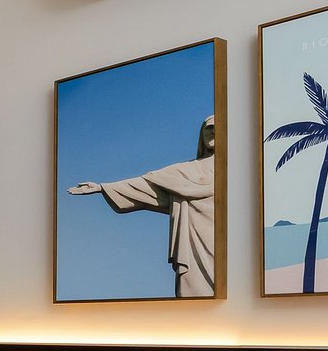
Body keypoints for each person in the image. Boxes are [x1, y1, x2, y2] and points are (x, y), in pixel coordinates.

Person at [68, 116, 218, 298]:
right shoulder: (185, 171)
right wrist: (102, 187)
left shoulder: (234, 170)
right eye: (209, 127)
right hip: (193, 243)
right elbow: (146, 185)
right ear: (201, 134)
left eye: (218, 128)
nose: (213, 131)